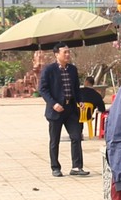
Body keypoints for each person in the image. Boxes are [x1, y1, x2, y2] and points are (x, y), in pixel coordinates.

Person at [37, 45, 90, 177]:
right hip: (55, 110)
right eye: (64, 52)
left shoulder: (72, 69)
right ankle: (55, 167)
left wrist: (80, 101)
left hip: (70, 109)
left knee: (76, 137)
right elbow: (43, 89)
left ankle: (77, 167)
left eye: (68, 52)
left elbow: (76, 89)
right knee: (54, 140)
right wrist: (53, 104)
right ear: (56, 54)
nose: (67, 54)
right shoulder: (49, 70)